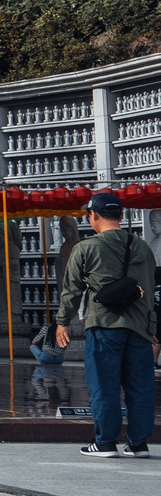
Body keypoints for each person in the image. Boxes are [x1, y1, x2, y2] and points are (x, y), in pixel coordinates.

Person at [56, 190, 157, 458]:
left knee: (104, 386)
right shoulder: (143, 247)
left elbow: (71, 290)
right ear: (122, 215)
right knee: (141, 387)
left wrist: (62, 322)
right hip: (139, 328)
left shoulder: (85, 248)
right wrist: (152, 329)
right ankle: (139, 444)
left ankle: (105, 443)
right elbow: (148, 288)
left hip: (103, 326)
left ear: (94, 216)